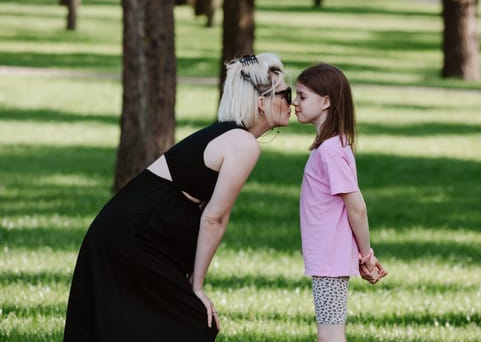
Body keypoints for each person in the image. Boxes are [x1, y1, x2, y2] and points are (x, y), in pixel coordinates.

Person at [63, 53, 293, 341]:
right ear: (263, 102)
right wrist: (196, 287)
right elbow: (214, 218)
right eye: (286, 93)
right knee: (192, 321)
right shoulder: (243, 143)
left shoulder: (233, 137)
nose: (292, 102)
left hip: (136, 230)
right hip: (132, 234)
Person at [293, 63, 387, 342]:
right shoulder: (333, 145)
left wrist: (366, 255)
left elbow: (356, 207)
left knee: (330, 335)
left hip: (329, 258)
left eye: (301, 96)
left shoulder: (331, 151)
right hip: (328, 257)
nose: (294, 103)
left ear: (326, 101)